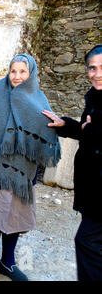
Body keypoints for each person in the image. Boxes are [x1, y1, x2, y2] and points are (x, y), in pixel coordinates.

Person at [0, 54, 61, 281]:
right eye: (13, 71)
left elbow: (47, 128)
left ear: (31, 74)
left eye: (22, 72)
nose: (17, 76)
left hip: (21, 170)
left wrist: (58, 126)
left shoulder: (38, 98)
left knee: (14, 216)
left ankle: (7, 262)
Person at [42, 44, 102, 281]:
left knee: (86, 242)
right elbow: (89, 131)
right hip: (93, 187)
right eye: (92, 68)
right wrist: (66, 124)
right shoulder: (95, 96)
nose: (97, 74)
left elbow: (94, 133)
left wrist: (91, 130)